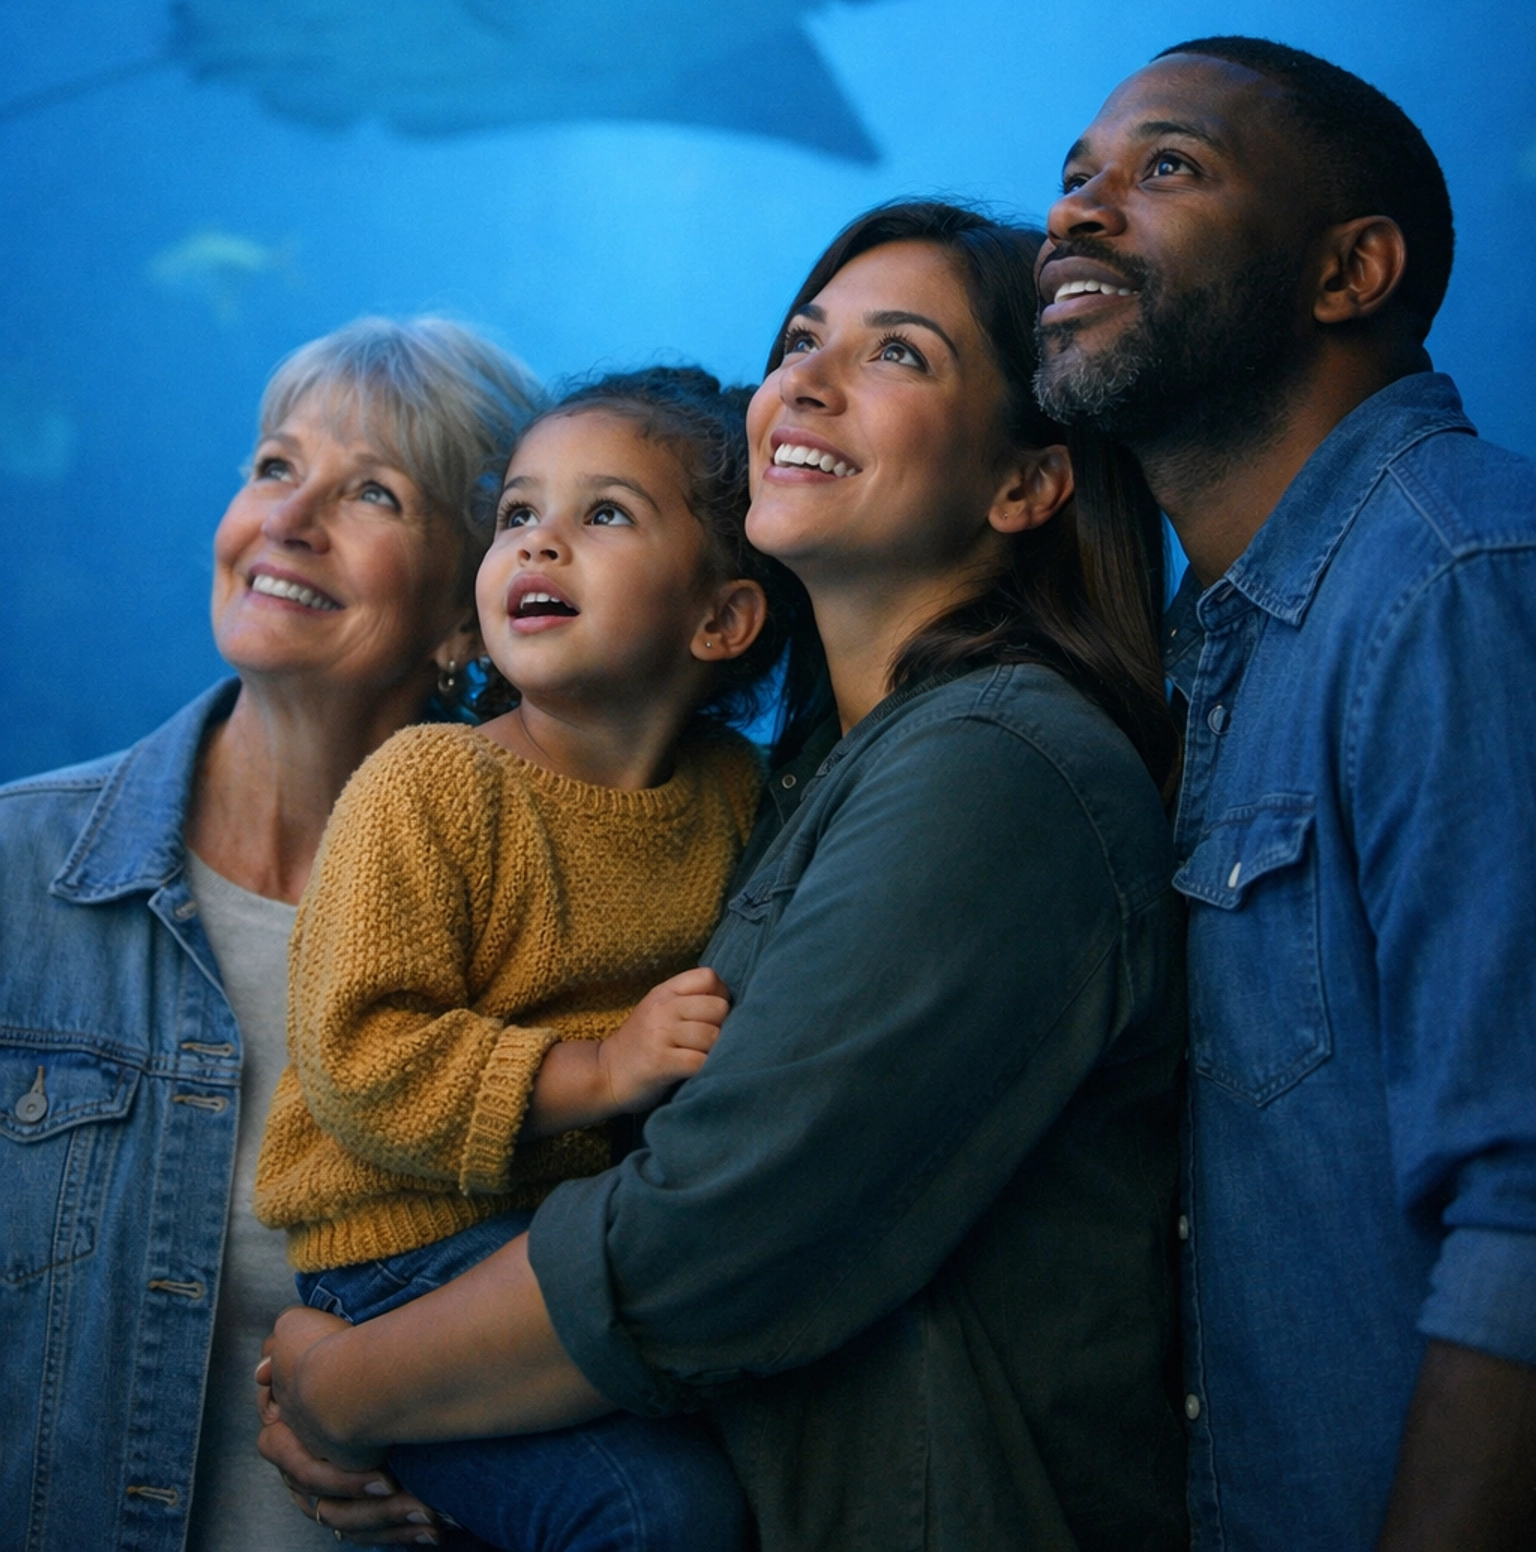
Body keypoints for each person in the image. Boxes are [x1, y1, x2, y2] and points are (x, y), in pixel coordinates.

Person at [257, 201, 1189, 1552]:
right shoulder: (820, 773)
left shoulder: (990, 766)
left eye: (898, 354)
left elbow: (715, 1235)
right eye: (801, 337)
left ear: (1027, 486)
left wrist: (347, 1387)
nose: (799, 380)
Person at [1032, 37, 1536, 1550]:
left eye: (1164, 168)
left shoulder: (1455, 585)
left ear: (1350, 270)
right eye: (1073, 180)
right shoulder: (1210, 644)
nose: (1076, 214)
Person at [0, 316, 541, 1552]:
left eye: (373, 493)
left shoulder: (548, 941)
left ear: (470, 612)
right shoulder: (19, 875)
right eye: (274, 468)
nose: (288, 523)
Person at [255, 369, 798, 1552]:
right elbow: (360, 1058)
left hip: (571, 1240)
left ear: (722, 620)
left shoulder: (733, 796)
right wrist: (602, 1071)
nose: (539, 541)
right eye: (517, 515)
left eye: (604, 514)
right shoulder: (430, 782)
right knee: (661, 1512)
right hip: (403, 1259)